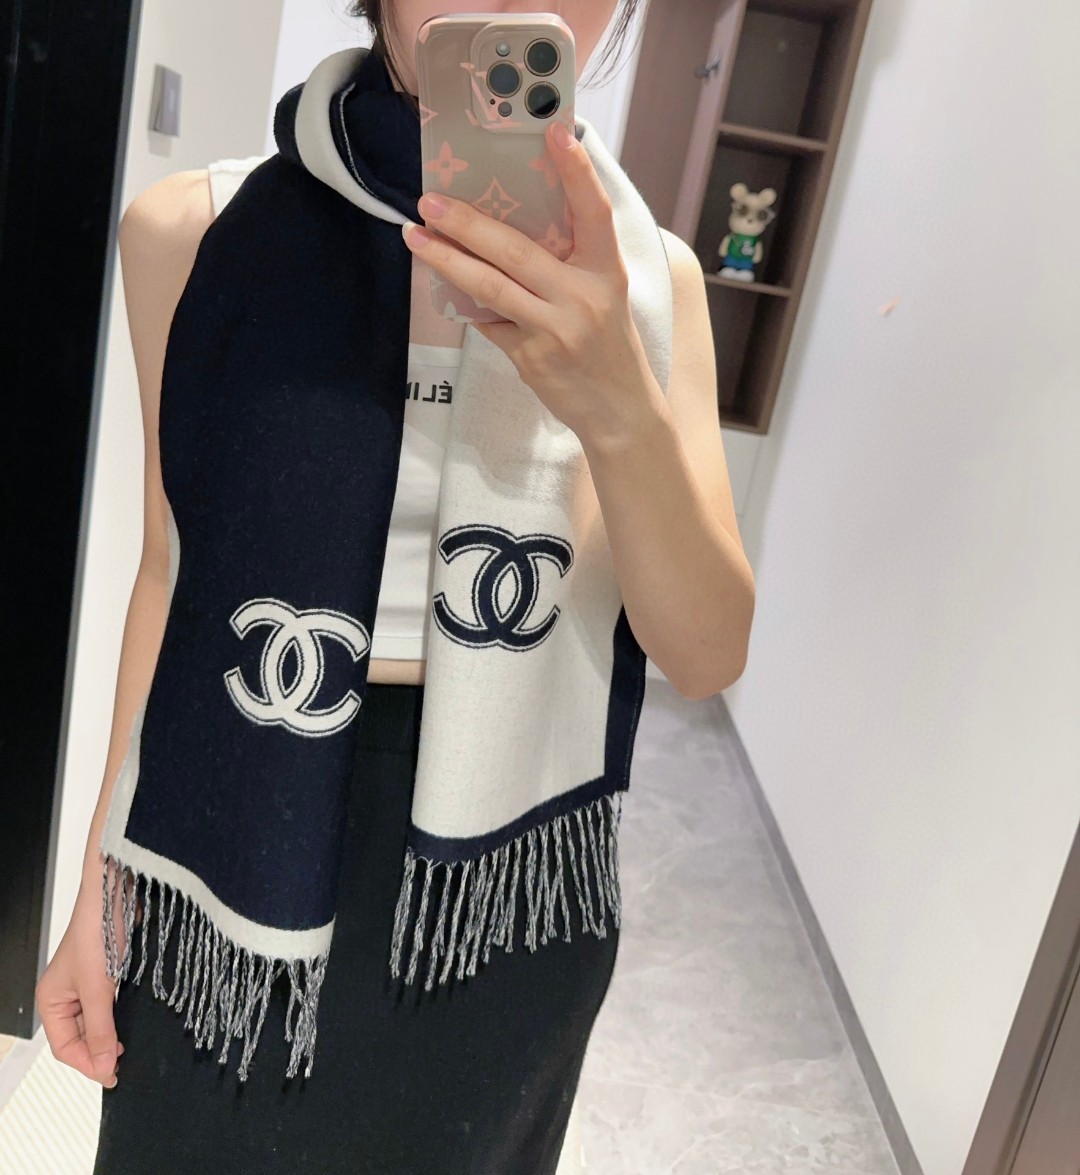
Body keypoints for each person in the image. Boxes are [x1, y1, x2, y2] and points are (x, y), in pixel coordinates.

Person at [34, 1, 755, 1171]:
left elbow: (707, 654)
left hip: (493, 893)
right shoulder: (196, 234)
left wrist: (620, 407)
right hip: (220, 828)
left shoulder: (651, 286)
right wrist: (99, 882)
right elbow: (172, 571)